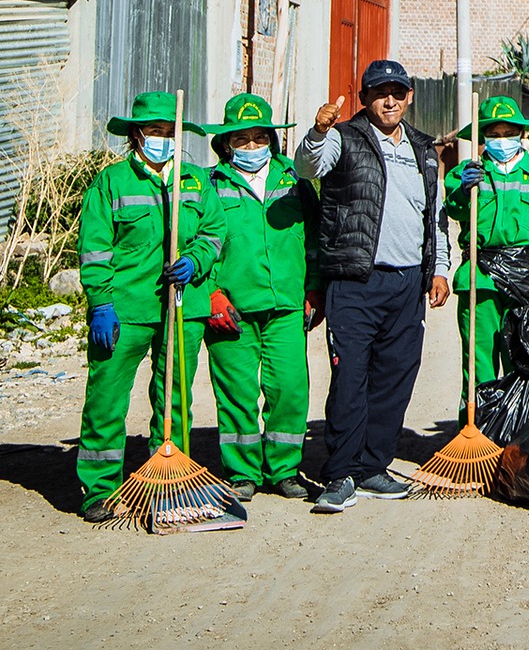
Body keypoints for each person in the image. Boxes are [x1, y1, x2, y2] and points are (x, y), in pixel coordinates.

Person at [295, 61, 451, 512]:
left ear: (409, 97)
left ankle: (372, 467)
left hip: (406, 283)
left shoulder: (423, 148)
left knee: (395, 376)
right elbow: (307, 168)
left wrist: (438, 268)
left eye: (397, 92)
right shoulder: (345, 138)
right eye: (380, 93)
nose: (390, 100)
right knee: (350, 376)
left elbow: (434, 217)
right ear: (364, 98)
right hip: (355, 279)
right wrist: (318, 131)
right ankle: (341, 474)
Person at [76, 92, 225, 521]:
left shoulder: (194, 180)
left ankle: (166, 481)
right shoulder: (113, 183)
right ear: (136, 135)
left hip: (182, 305)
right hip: (125, 308)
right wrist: (101, 302)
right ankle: (99, 488)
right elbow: (95, 248)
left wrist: (195, 259)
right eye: (154, 132)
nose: (162, 139)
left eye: (169, 132)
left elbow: (215, 231)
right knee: (106, 398)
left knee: (175, 398)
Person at [200, 92, 319, 501]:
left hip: (285, 304)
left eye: (259, 138)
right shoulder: (208, 185)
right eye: (241, 140)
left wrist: (314, 286)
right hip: (229, 307)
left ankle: (284, 469)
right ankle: (242, 472)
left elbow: (315, 240)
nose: (251, 147)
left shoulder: (295, 181)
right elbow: (197, 242)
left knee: (289, 387)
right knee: (235, 392)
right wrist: (210, 293)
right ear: (225, 145)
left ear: (272, 139)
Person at [444, 96, 529, 403]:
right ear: (482, 137)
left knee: (524, 361)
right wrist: (463, 190)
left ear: (522, 135)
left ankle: (518, 439)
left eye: (509, 133)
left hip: (528, 281)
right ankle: (479, 436)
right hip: (480, 279)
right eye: (494, 135)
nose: (502, 141)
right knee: (478, 361)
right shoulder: (466, 173)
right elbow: (453, 210)